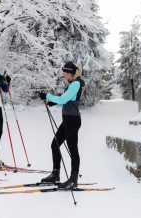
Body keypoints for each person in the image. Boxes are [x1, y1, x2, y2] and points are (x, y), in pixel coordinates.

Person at [39, 61, 85, 189]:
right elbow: (67, 99)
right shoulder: (73, 83)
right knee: (55, 145)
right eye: (63, 72)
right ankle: (55, 174)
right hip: (67, 120)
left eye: (66, 72)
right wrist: (55, 102)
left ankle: (73, 179)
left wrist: (48, 96)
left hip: (72, 120)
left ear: (71, 72)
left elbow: (64, 99)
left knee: (73, 149)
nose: (64, 74)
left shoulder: (76, 83)